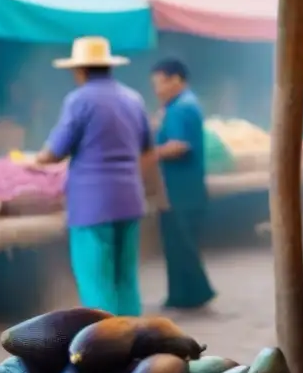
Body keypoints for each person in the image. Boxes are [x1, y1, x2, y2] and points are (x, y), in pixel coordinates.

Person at [36, 36, 151, 317]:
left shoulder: (79, 100)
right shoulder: (134, 98)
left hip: (92, 204)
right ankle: (136, 341)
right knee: (125, 277)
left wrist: (36, 159)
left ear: (80, 70)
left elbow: (55, 151)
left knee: (97, 280)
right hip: (130, 199)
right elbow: (147, 148)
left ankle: (107, 345)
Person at [151, 58, 216, 311]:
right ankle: (181, 295)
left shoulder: (181, 107)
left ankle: (196, 293)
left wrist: (147, 154)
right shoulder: (181, 104)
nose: (157, 90)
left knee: (182, 243)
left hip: (181, 188)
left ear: (176, 80)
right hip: (185, 187)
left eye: (160, 83)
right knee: (179, 242)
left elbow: (178, 146)